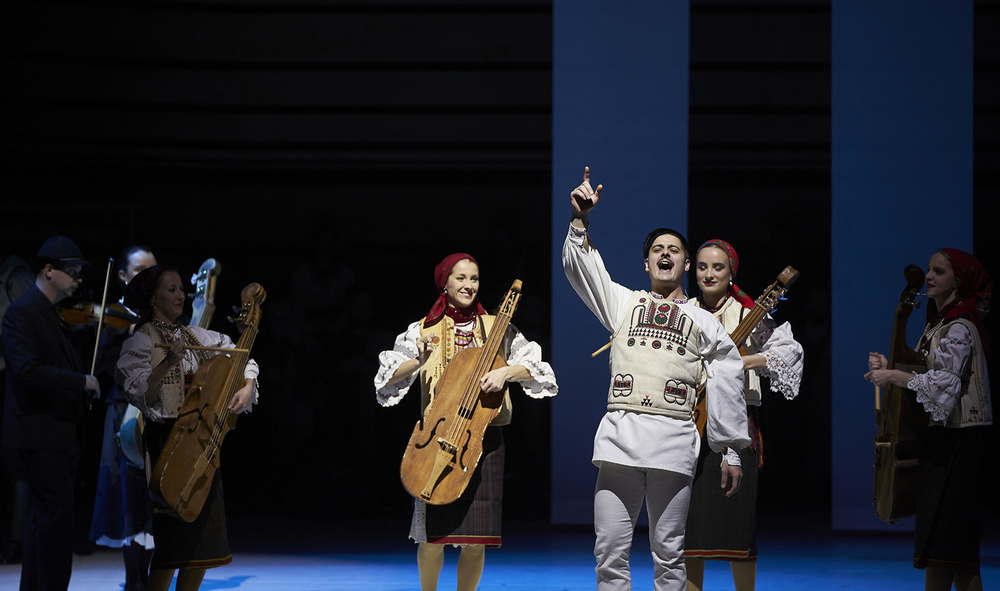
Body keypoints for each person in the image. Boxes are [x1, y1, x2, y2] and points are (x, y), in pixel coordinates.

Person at [562, 167, 750, 591]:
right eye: (658, 249)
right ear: (646, 261)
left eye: (674, 250)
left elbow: (727, 374)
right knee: (609, 553)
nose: (666, 254)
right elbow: (583, 272)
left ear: (685, 263)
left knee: (669, 556)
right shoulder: (624, 303)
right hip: (619, 441)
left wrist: (730, 450)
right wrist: (580, 221)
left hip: (673, 443)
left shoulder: (702, 319)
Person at [374, 253, 558, 591]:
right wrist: (419, 359)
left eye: (474, 279)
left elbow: (537, 367)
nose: (468, 285)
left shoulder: (495, 327)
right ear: (445, 282)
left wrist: (506, 372)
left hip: (482, 441)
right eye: (460, 278)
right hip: (438, 436)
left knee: (477, 539)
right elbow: (386, 378)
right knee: (432, 538)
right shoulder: (424, 329)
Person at [116, 265, 259, 591]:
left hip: (203, 442)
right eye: (171, 289)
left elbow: (240, 355)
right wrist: (167, 362)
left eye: (181, 289)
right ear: (152, 298)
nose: (180, 295)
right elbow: (138, 390)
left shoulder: (196, 336)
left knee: (203, 551)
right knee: (171, 549)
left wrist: (247, 383)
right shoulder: (142, 340)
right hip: (168, 443)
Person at [865, 248, 992, 591]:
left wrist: (893, 376)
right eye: (929, 270)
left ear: (958, 281)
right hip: (944, 439)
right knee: (938, 551)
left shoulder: (960, 328)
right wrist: (888, 367)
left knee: (958, 553)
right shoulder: (939, 325)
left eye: (939, 271)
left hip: (961, 440)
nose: (930, 277)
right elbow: (924, 372)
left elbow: (943, 384)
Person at [684, 239, 803, 591]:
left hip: (737, 424)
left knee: (739, 525)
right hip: (689, 424)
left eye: (718, 267)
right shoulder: (685, 309)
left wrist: (741, 361)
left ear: (731, 272)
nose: (709, 274)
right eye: (702, 266)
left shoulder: (746, 312)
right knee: (690, 529)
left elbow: (788, 351)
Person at [1, 236, 102, 591]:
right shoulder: (21, 313)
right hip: (39, 433)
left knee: (42, 520)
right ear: (48, 271)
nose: (77, 279)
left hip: (58, 433)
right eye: (71, 271)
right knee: (56, 522)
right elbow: (27, 370)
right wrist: (81, 382)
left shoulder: (55, 316)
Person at [89, 246, 157, 591]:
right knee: (129, 502)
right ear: (123, 277)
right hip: (122, 414)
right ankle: (134, 582)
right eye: (141, 272)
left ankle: (147, 579)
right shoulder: (115, 320)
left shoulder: (161, 316)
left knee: (152, 501)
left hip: (157, 415)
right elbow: (100, 367)